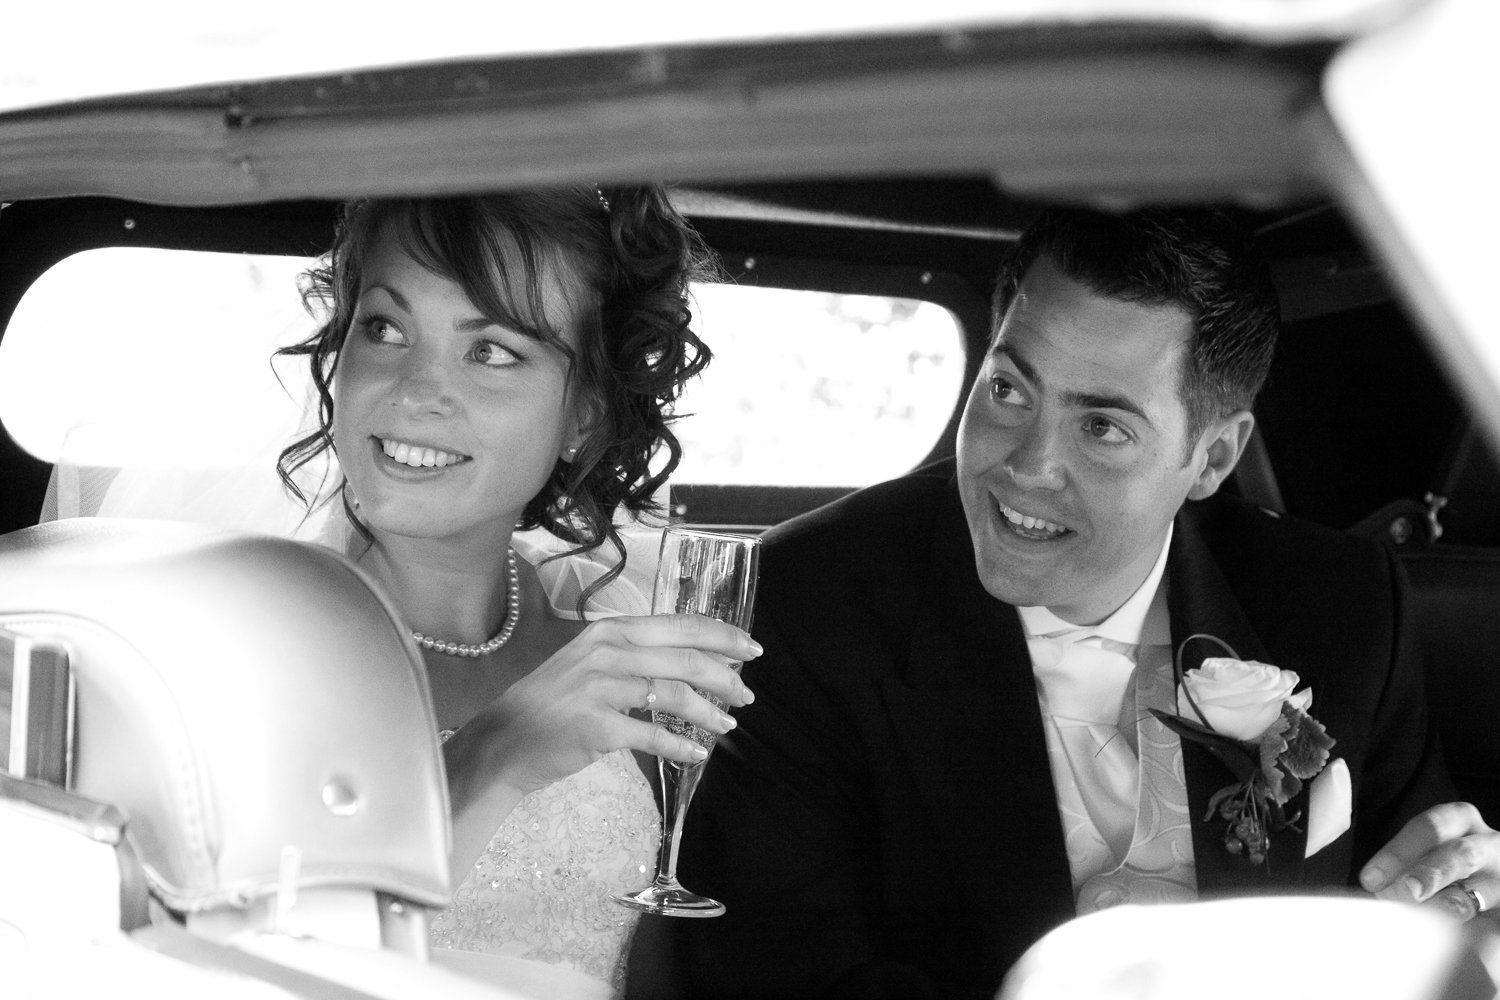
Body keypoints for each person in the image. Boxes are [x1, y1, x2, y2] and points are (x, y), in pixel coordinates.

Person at [653, 207, 1500, 1000]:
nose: (1025, 465)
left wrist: (1470, 900)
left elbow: (1413, 914)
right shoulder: (811, 600)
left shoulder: (1341, 607)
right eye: (1008, 391)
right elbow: (781, 975)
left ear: (1211, 458)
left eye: (1102, 428)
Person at [264, 188, 759, 997]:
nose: (414, 390)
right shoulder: (241, 644)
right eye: (384, 327)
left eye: (489, 351)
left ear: (584, 416)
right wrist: (493, 755)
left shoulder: (614, 656)